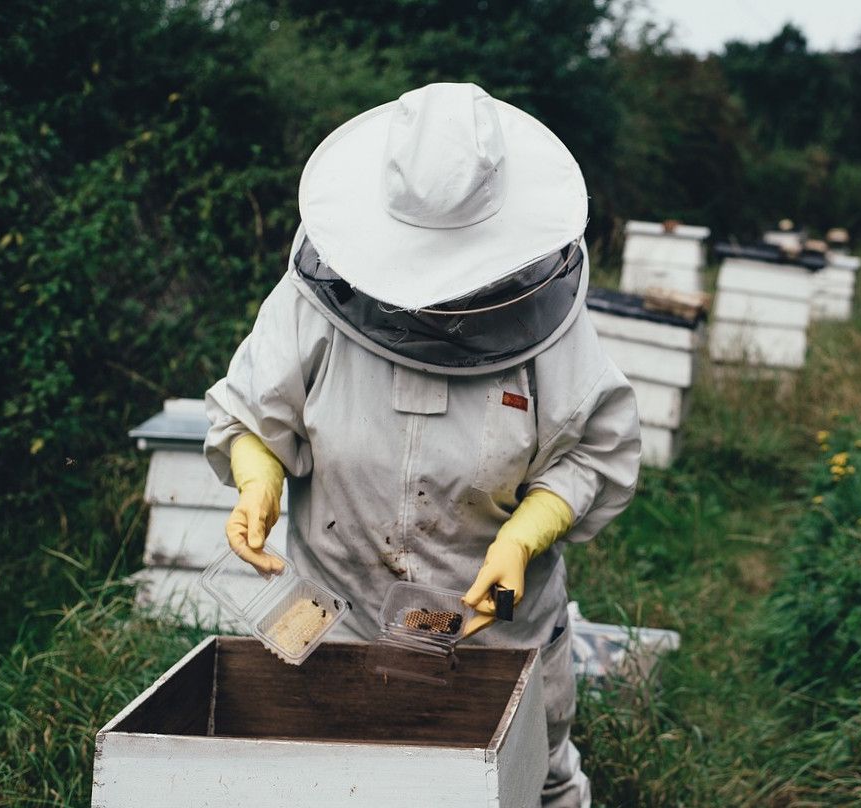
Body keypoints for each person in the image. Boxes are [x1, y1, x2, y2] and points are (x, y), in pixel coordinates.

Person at [203, 82, 641, 808]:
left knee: (534, 778)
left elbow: (590, 452)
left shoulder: (552, 329)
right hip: (334, 619)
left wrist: (523, 539)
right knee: (342, 780)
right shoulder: (310, 306)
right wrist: (259, 480)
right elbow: (253, 412)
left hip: (494, 631)